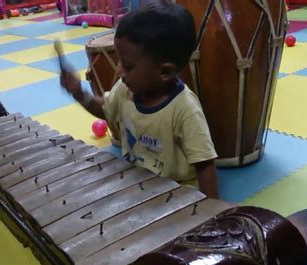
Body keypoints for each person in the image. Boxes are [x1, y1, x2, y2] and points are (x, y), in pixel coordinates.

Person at [57, 1, 220, 198]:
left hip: (178, 196)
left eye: (127, 65)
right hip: (138, 184)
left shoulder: (185, 109)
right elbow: (105, 110)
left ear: (164, 71)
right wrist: (79, 93)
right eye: (119, 62)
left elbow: (204, 165)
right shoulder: (125, 90)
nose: (120, 72)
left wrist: (212, 215)